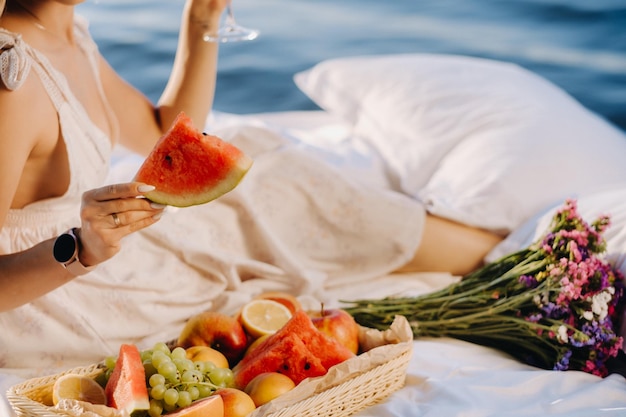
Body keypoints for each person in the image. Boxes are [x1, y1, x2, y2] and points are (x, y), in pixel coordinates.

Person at [0, 0, 503, 409]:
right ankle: (500, 254)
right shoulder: (11, 76)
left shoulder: (67, 31)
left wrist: (202, 18)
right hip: (49, 293)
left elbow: (164, 133)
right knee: (277, 194)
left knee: (260, 157)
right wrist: (82, 248)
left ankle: (503, 253)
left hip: (96, 246)